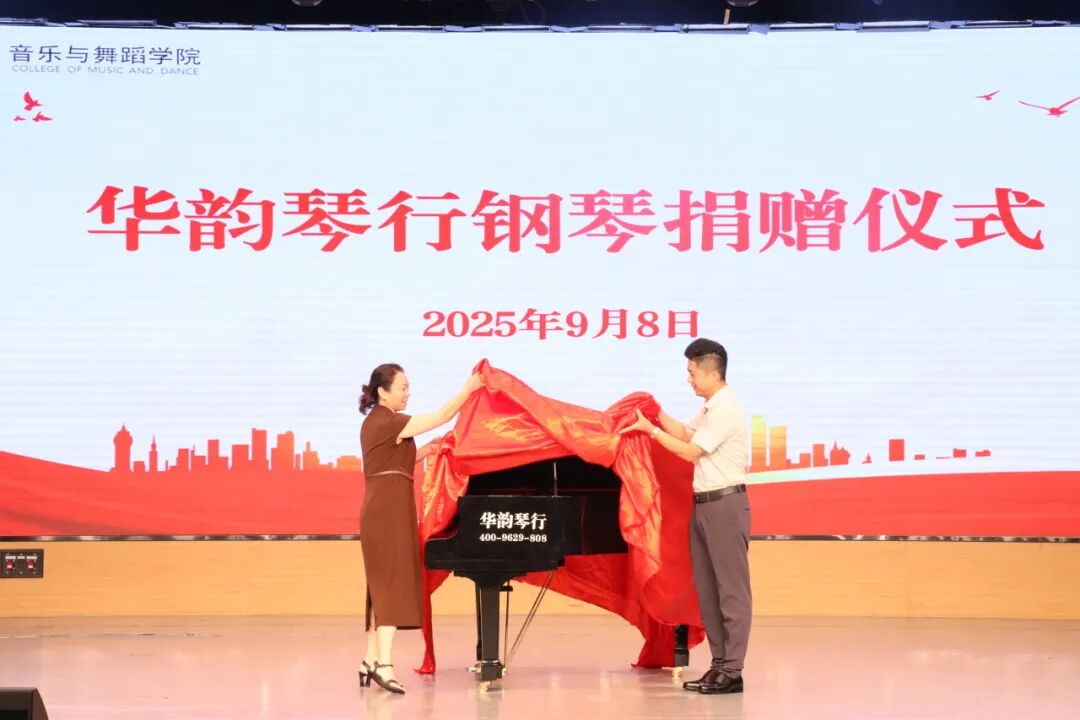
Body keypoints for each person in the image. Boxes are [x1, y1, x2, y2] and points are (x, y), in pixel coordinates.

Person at [620, 338, 750, 694]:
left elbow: (689, 450)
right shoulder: (710, 409)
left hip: (725, 506)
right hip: (704, 505)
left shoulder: (726, 408)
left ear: (712, 373)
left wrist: (651, 431)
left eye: (692, 373)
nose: (689, 379)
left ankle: (732, 670)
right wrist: (653, 412)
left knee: (731, 592)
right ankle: (719, 665)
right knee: (707, 590)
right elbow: (685, 432)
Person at [357, 363, 483, 694]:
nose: (407, 394)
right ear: (382, 392)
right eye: (403, 388)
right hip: (387, 512)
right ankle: (384, 665)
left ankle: (370, 659)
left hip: (383, 508)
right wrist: (470, 388)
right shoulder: (389, 422)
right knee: (391, 584)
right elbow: (443, 415)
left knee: (381, 585)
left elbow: (393, 461)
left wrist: (428, 450)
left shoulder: (377, 424)